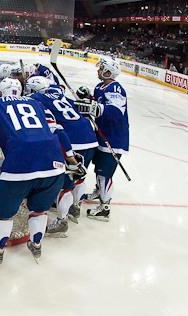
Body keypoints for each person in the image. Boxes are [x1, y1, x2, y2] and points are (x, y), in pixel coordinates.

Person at [0, 78, 85, 270]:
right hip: (54, 164)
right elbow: (59, 134)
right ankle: (36, 245)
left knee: (4, 215)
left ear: (0, 92)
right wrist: (72, 160)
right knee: (39, 210)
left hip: (18, 165)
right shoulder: (37, 103)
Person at [27, 76, 98, 234]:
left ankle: (62, 221)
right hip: (90, 137)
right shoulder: (58, 92)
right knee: (79, 177)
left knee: (65, 185)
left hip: (71, 142)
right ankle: (76, 207)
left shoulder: (35, 98)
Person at [74, 57, 129, 221]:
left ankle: (105, 208)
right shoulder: (100, 86)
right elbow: (97, 103)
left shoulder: (116, 89)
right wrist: (87, 98)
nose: (98, 71)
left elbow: (116, 112)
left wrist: (95, 107)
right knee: (99, 169)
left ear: (108, 72)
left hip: (113, 139)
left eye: (101, 69)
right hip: (101, 135)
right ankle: (99, 191)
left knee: (105, 174)